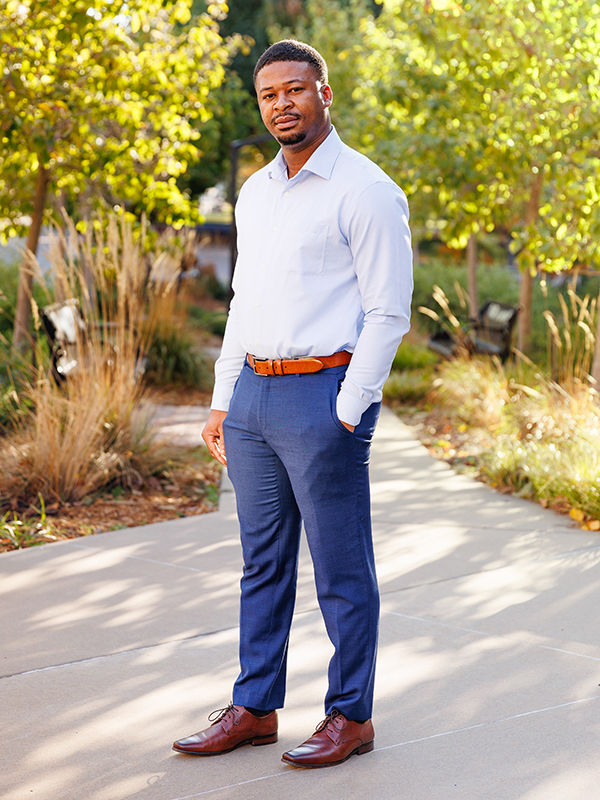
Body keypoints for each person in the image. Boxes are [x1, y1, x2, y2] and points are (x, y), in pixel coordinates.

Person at [173, 39, 413, 768]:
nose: (282, 103)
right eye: (269, 94)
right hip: (253, 398)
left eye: (295, 89)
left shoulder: (366, 190)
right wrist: (223, 398)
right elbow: (245, 299)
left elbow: (388, 311)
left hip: (322, 394)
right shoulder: (255, 191)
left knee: (341, 570)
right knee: (262, 562)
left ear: (324, 94)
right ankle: (254, 706)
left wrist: (349, 406)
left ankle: (352, 715)